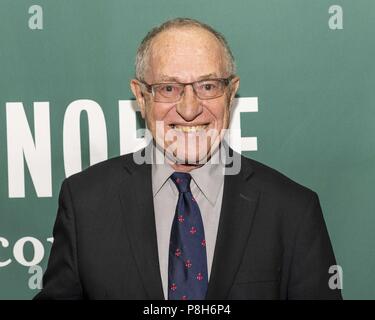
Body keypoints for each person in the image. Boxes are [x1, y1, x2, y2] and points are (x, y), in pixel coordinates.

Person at [35, 18, 342, 300]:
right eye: (169, 88)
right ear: (141, 97)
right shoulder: (86, 203)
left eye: (207, 86)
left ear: (231, 92)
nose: (189, 108)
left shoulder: (292, 210)